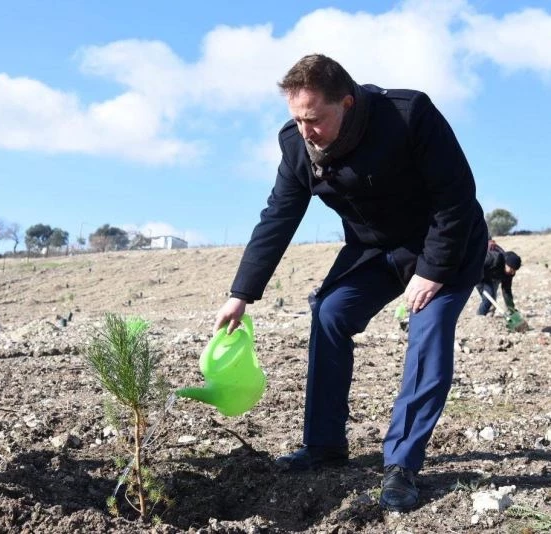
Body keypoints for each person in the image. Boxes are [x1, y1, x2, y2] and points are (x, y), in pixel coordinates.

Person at [213, 54, 488, 512]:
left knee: (427, 331)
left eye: (314, 119)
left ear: (346, 101)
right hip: (376, 250)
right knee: (330, 312)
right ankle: (323, 445)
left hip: (447, 245)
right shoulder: (298, 146)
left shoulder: (408, 115)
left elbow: (456, 197)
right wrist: (240, 294)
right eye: (297, 119)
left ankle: (401, 464)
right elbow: (279, 216)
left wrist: (432, 271)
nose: (305, 130)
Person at [476, 249, 522, 315]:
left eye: (514, 270)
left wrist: (511, 308)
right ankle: (480, 317)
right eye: (511, 269)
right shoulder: (494, 258)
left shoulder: (509, 274)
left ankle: (486, 316)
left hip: (490, 278)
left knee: (490, 298)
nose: (512, 272)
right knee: (487, 299)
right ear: (506, 264)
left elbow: (507, 291)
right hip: (478, 274)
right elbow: (477, 262)